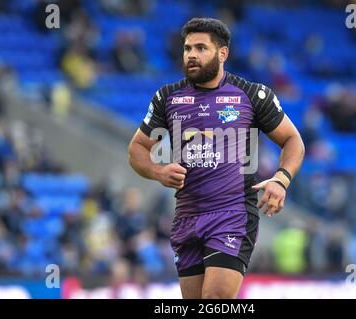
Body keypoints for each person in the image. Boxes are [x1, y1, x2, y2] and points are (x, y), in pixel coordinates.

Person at [128, 18, 305, 299]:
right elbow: (137, 148)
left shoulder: (250, 95)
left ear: (223, 54)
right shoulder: (168, 98)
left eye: (201, 48)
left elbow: (293, 140)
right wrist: (158, 172)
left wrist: (281, 180)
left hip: (232, 214)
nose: (192, 55)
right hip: (186, 216)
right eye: (187, 49)